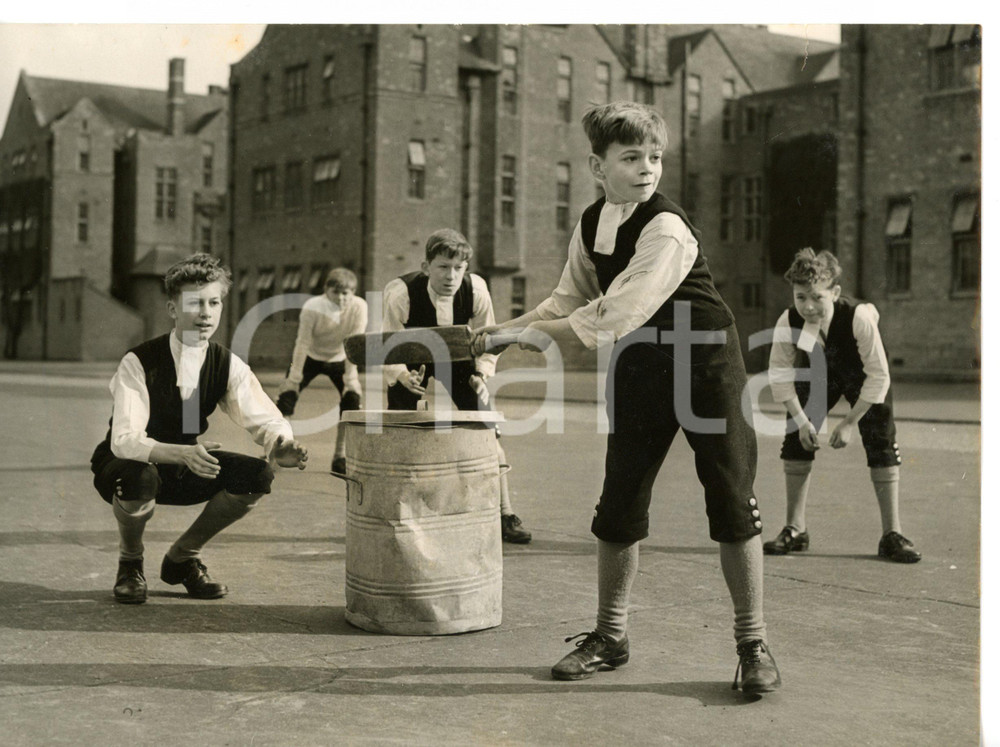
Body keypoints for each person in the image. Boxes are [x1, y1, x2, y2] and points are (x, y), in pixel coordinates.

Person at [472, 101, 780, 695]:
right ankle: (611, 637)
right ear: (597, 165)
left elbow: (618, 310)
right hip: (641, 365)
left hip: (707, 361)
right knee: (619, 502)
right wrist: (502, 334)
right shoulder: (590, 225)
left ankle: (753, 643)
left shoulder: (667, 227)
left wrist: (522, 337)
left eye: (656, 157)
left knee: (732, 502)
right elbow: (564, 302)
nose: (647, 169)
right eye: (631, 157)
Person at [90, 253, 309, 605]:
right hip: (128, 464)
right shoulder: (139, 361)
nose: (206, 313)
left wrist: (279, 444)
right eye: (195, 303)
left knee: (257, 475)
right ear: (173, 309)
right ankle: (130, 562)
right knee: (140, 478)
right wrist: (182, 453)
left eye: (214, 302)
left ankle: (182, 557)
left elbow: (265, 417)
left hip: (187, 463)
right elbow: (125, 441)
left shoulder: (226, 363)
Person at [764, 247, 920, 563]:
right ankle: (796, 529)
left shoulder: (859, 318)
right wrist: (803, 420)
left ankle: (892, 534)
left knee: (880, 439)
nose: (808, 306)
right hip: (821, 373)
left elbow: (878, 376)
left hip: (863, 375)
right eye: (800, 297)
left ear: (834, 292)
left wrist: (849, 422)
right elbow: (780, 376)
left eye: (817, 297)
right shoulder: (788, 320)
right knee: (796, 436)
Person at [381, 228, 532, 544]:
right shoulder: (400, 293)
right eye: (442, 267)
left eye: (458, 268)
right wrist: (400, 375)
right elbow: (388, 343)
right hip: (410, 356)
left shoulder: (477, 289)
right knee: (402, 435)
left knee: (487, 431)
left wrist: (482, 374)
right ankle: (399, 514)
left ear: (466, 268)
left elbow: (488, 339)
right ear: (426, 267)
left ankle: (505, 514)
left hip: (458, 357)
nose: (451, 276)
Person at [275, 267, 367, 474]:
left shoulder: (360, 307)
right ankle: (279, 449)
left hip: (341, 357)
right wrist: (294, 377)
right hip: (311, 356)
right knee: (286, 397)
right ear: (326, 290)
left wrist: (351, 379)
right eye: (336, 292)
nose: (341, 298)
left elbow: (355, 343)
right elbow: (302, 342)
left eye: (346, 293)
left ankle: (340, 456)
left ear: (353, 292)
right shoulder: (312, 306)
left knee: (352, 400)